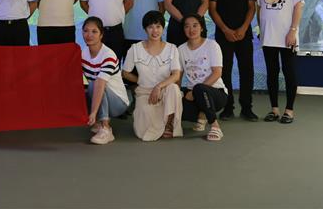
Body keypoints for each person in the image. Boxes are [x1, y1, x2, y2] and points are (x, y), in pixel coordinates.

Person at [208, 0, 258, 122]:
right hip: (224, 35)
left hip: (244, 34)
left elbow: (252, 8)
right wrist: (226, 30)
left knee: (247, 71)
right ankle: (228, 108)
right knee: (225, 71)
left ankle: (247, 108)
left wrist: (243, 28)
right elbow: (212, 10)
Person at [256, 0, 304, 124]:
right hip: (268, 36)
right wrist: (261, 30)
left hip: (287, 36)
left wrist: (293, 30)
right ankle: (274, 109)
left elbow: (298, 7)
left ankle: (289, 110)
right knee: (272, 73)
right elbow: (259, 8)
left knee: (289, 72)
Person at [122, 11, 182, 141]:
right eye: (150, 27)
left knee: (173, 88)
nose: (155, 31)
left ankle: (169, 123)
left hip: (165, 91)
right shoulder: (135, 49)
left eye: (158, 26)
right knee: (143, 131)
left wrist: (159, 87)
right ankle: (159, 122)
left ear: (163, 28)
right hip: (144, 92)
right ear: (145, 29)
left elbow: (176, 75)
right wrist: (140, 80)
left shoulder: (172, 48)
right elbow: (125, 72)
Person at [178, 14, 227, 142]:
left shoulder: (212, 45)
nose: (191, 29)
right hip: (193, 94)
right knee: (180, 109)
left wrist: (195, 91)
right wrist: (177, 94)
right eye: (187, 26)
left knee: (199, 88)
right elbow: (178, 75)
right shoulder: (181, 49)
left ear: (202, 28)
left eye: (195, 25)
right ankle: (202, 114)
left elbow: (217, 73)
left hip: (215, 93)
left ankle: (215, 126)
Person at [81, 16, 130, 145]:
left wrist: (93, 112)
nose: (89, 35)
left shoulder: (108, 55)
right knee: (88, 87)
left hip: (118, 103)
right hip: (101, 95)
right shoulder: (83, 53)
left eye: (94, 31)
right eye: (86, 31)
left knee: (96, 83)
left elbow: (100, 85)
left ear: (101, 35)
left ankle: (106, 128)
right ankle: (99, 121)